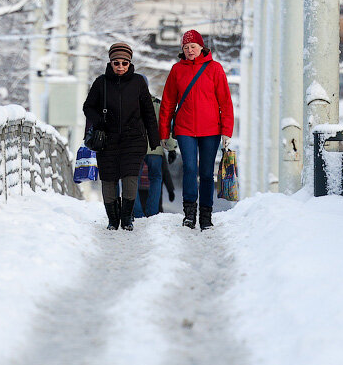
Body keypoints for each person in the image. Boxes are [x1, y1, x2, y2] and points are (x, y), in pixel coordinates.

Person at [158, 30, 234, 230]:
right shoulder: (177, 70)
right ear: (182, 50)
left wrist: (227, 130)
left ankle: (206, 216)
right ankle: (189, 213)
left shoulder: (215, 69)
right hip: (185, 129)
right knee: (190, 169)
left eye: (193, 46)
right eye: (186, 47)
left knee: (207, 173)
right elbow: (167, 103)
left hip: (211, 129)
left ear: (201, 47)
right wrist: (164, 133)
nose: (190, 50)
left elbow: (225, 102)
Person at [83, 42, 160, 231]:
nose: (120, 67)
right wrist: (99, 121)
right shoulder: (101, 82)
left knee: (129, 177)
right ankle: (112, 218)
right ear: (110, 63)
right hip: (107, 140)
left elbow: (148, 112)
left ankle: (126, 218)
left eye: (124, 63)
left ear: (130, 63)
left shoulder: (138, 83)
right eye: (116, 63)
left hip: (134, 139)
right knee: (108, 178)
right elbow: (88, 107)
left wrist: (154, 140)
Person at [134, 94, 177, 218]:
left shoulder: (130, 102)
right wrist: (171, 148)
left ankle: (137, 212)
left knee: (132, 180)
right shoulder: (158, 104)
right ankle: (152, 212)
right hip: (155, 149)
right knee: (156, 179)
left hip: (136, 149)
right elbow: (166, 125)